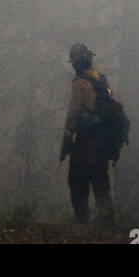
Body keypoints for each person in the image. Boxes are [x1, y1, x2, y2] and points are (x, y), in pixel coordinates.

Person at [59, 42, 115, 224]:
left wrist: (66, 140)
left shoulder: (80, 83)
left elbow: (73, 114)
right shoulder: (102, 80)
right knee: (101, 183)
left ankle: (82, 226)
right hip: (103, 142)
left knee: (77, 183)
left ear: (76, 63)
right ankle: (107, 225)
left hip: (85, 144)